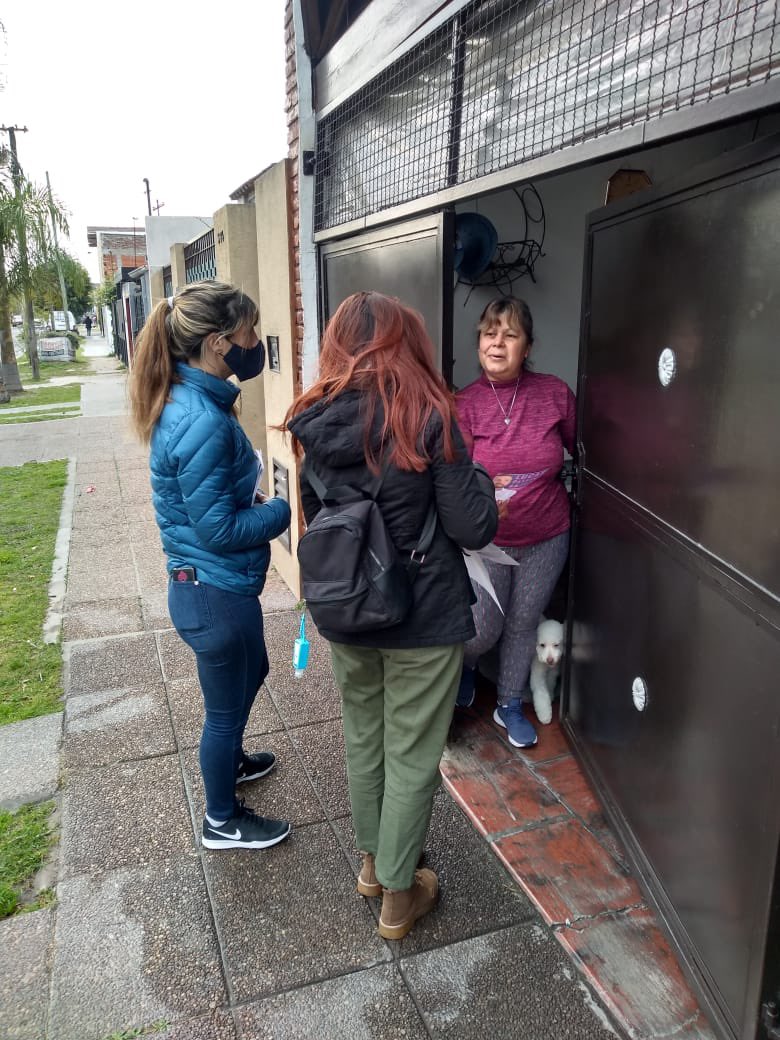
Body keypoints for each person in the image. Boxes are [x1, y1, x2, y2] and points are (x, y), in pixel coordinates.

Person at [285, 291, 497, 940]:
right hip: (423, 615)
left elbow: (315, 520)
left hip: (346, 609)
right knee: (411, 753)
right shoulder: (430, 414)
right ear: (406, 343)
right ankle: (400, 898)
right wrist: (481, 483)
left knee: (364, 739)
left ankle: (375, 864)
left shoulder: (311, 419)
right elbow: (473, 524)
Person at [128, 281, 292, 851]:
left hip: (214, 588)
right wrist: (280, 511)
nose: (257, 342)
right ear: (221, 343)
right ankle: (221, 821)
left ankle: (232, 762)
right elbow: (219, 529)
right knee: (223, 710)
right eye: (250, 331)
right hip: (211, 592)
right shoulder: (199, 418)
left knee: (256, 670)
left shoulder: (195, 401)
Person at [455, 297, 575, 748]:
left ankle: (508, 704)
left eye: (509, 334)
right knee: (481, 630)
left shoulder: (554, 394)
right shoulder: (464, 404)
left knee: (524, 623)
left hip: (546, 535)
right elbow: (455, 481)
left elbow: (582, 447)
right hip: (489, 542)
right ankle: (465, 669)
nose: (497, 342)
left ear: (527, 346)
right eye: (489, 333)